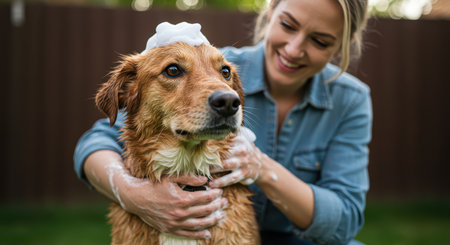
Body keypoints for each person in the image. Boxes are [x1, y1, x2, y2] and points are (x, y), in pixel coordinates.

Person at [74, 0, 372, 244]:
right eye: (288, 25)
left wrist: (262, 167)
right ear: (270, 14)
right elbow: (98, 139)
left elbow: (345, 220)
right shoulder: (214, 60)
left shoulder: (351, 100)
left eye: (320, 41)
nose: (294, 49)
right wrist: (132, 194)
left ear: (340, 47)